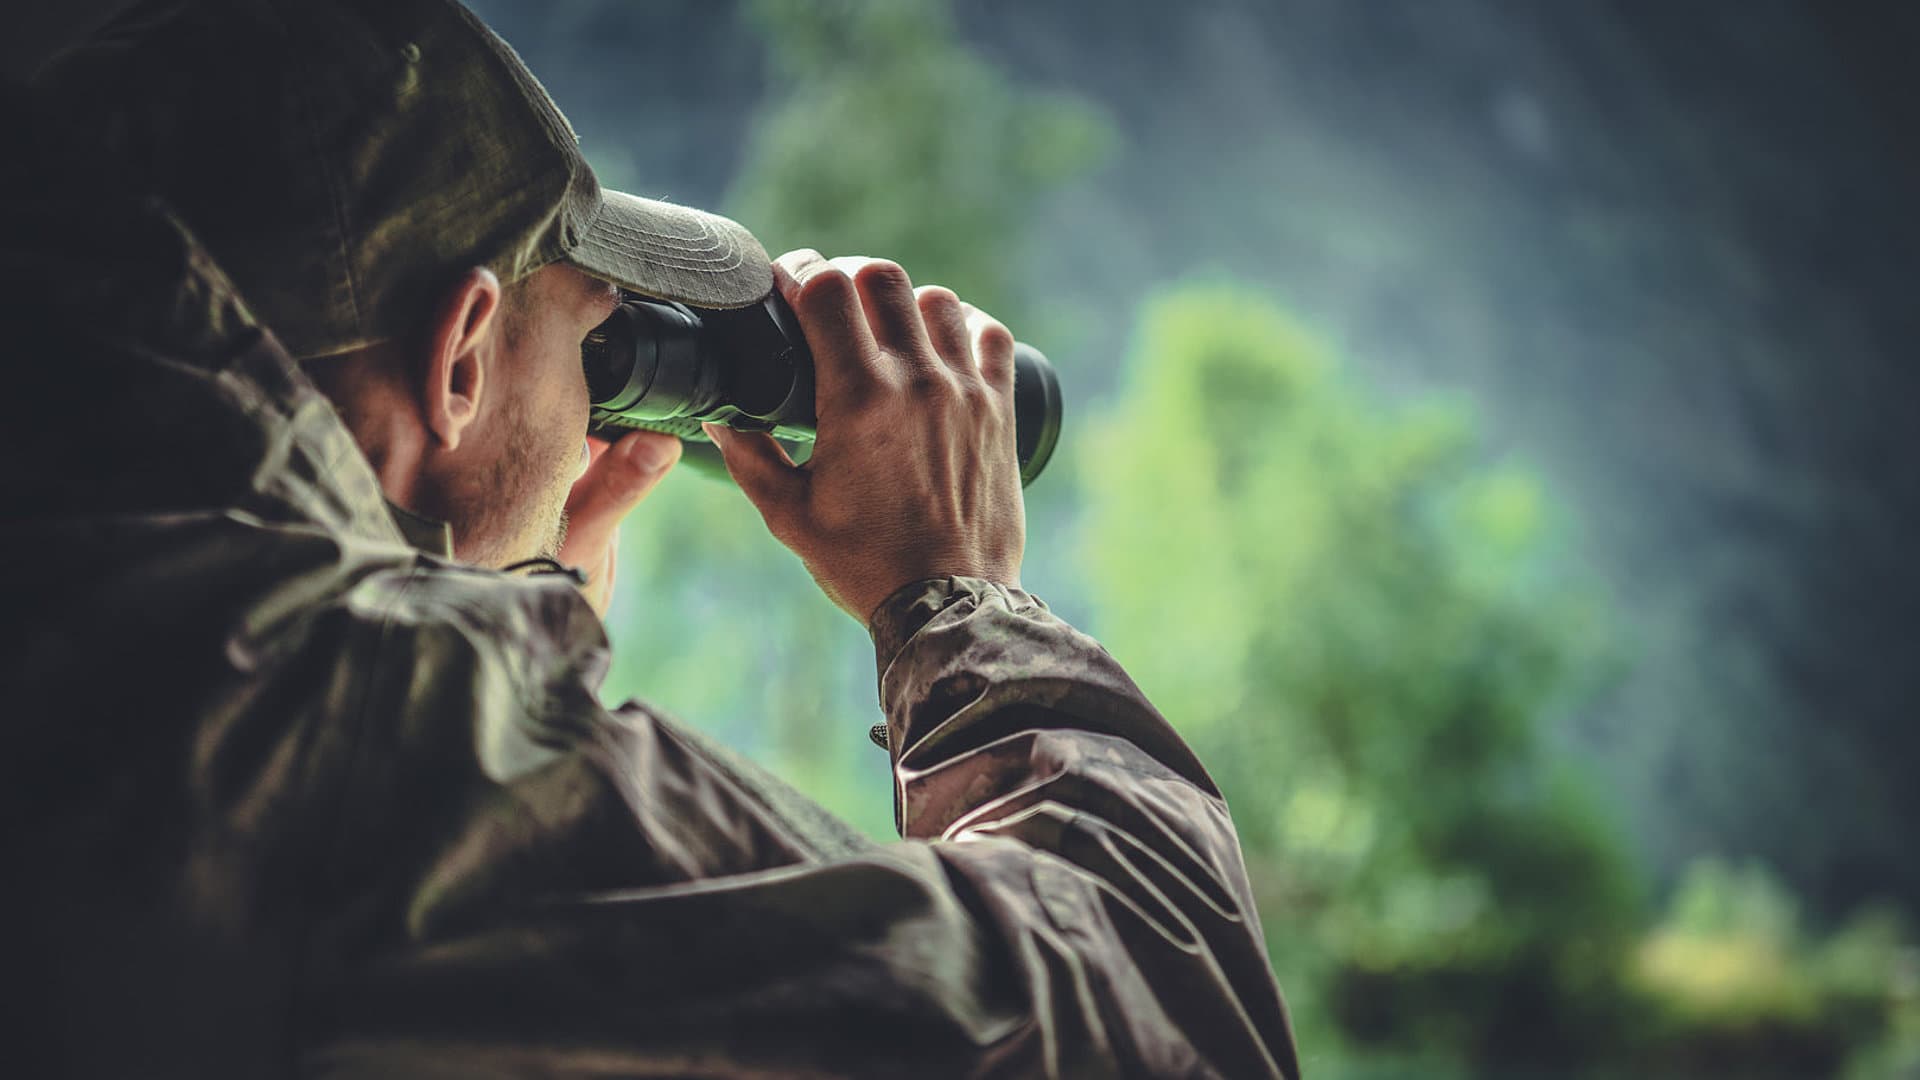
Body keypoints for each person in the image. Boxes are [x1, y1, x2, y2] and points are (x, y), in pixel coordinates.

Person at [0, 0, 1302, 1075]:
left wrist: (454, 583)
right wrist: (956, 599)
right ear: (459, 358)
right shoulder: (343, 733)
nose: (593, 417)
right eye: (584, 343)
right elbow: (1165, 1023)